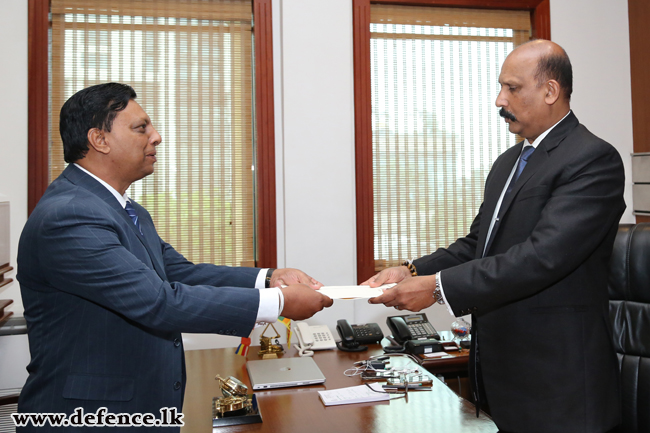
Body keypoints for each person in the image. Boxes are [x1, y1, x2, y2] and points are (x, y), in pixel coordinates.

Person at [16, 83, 333, 430]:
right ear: (99, 140)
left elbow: (177, 272)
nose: (157, 137)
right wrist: (278, 303)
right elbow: (158, 302)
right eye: (141, 128)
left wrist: (270, 277)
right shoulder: (70, 215)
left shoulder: (124, 209)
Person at [366, 40, 624, 433]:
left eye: (512, 88)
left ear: (550, 91)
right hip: (499, 375)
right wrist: (411, 269)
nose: (499, 99)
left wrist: (435, 288)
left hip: (559, 384)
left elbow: (541, 258)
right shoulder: (509, 162)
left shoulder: (592, 159)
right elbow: (478, 245)